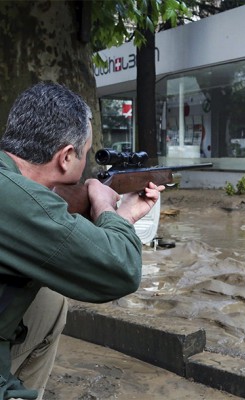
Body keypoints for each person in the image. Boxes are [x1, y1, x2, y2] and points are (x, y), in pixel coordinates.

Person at [0, 82, 164, 400]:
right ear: (66, 157)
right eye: (85, 154)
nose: (86, 164)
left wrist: (122, 216)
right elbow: (120, 270)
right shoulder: (18, 200)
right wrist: (106, 206)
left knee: (48, 303)